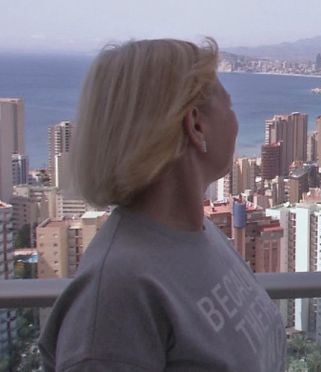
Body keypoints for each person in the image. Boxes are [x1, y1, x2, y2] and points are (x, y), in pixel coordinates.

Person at [39, 39, 286, 371]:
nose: (237, 120)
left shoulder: (201, 234)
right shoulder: (115, 297)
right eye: (229, 105)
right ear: (196, 125)